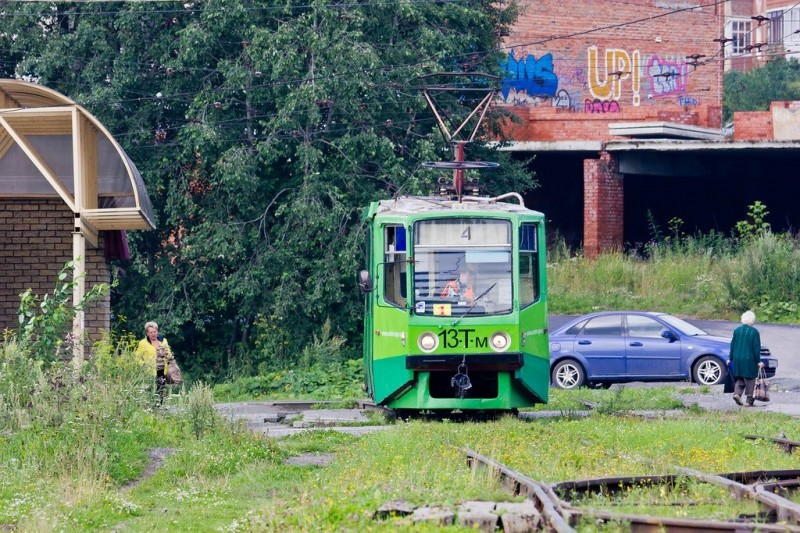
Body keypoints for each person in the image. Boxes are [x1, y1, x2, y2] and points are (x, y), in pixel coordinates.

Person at [727, 310, 764, 407]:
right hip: (749, 359)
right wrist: (758, 361)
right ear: (752, 320)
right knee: (750, 380)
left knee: (740, 378)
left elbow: (733, 345)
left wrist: (730, 358)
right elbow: (756, 348)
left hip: (737, 359)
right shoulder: (754, 332)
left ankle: (737, 394)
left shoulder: (737, 330)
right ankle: (749, 401)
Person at [134, 321, 173, 402]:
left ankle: (159, 410)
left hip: (162, 371)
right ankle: (150, 409)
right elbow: (136, 357)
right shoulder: (143, 343)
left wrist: (166, 354)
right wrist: (143, 364)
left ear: (157, 331)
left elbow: (169, 354)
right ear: (147, 333)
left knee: (161, 392)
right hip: (150, 371)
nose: (153, 334)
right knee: (150, 392)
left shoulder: (163, 340)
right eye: (151, 332)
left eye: (154, 331)